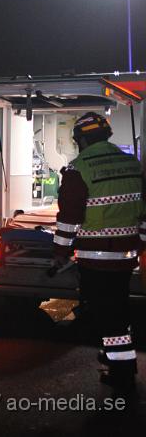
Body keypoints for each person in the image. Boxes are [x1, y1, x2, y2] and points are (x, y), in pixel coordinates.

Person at [52, 112, 144, 391]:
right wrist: (140, 243)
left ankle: (121, 371)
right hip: (126, 257)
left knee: (108, 314)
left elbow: (69, 218)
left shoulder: (79, 169)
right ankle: (117, 358)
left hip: (95, 259)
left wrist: (60, 251)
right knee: (117, 307)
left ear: (80, 139)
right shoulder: (133, 165)